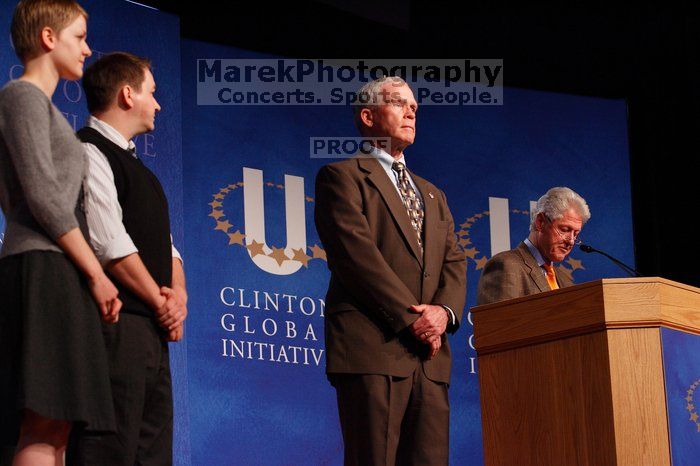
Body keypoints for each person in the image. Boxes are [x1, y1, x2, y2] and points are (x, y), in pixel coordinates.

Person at [314, 76, 466, 466]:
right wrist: (411, 319)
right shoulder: (342, 177)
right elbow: (357, 258)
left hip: (429, 360)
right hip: (373, 348)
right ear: (368, 116)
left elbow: (454, 260)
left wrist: (442, 314)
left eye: (413, 105)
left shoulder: (433, 194)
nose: (411, 110)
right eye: (398, 102)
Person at [0, 1, 122, 465]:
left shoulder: (42, 109)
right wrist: (96, 272)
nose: (88, 49)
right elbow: (41, 197)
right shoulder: (22, 97)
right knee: (42, 421)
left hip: (60, 267)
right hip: (43, 267)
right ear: (49, 38)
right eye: (79, 37)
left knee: (58, 430)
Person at [64, 52, 187, 466]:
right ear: (127, 94)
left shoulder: (145, 174)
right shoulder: (87, 151)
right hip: (112, 329)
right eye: (152, 93)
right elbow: (108, 243)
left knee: (152, 453)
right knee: (107, 449)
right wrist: (161, 302)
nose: (158, 104)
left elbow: (167, 247)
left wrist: (178, 298)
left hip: (150, 333)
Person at [476, 186, 591, 305]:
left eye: (576, 234)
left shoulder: (565, 281)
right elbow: (498, 322)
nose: (571, 241)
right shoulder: (507, 266)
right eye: (565, 229)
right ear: (540, 222)